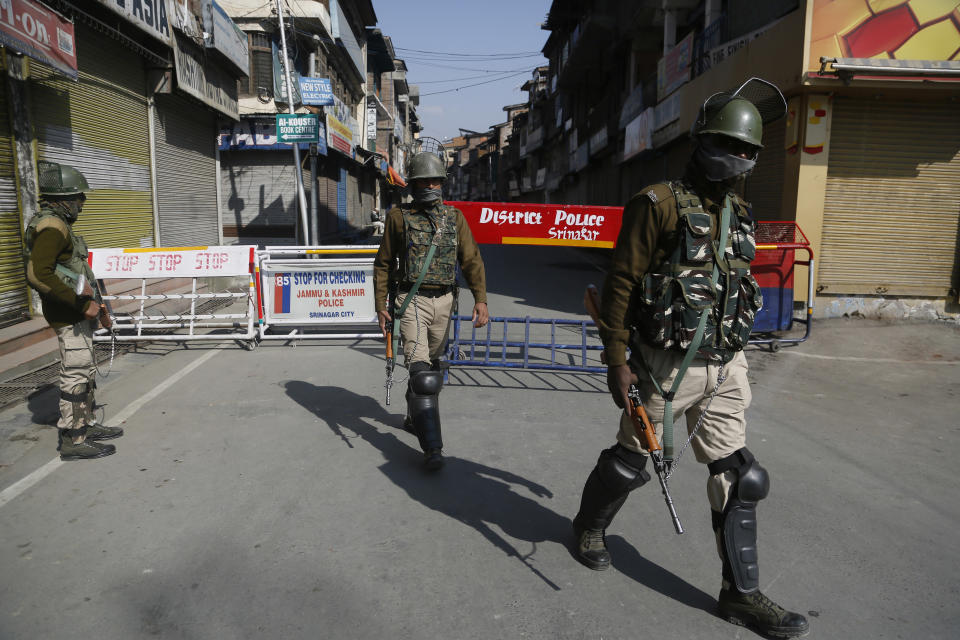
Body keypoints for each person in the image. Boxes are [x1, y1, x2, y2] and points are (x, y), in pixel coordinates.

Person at [571, 79, 809, 638]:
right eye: (732, 146)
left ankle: (740, 595)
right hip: (663, 366)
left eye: (750, 151)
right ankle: (587, 528)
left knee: (741, 476)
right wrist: (616, 360)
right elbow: (622, 283)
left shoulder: (744, 214)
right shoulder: (657, 205)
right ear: (703, 142)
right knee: (631, 463)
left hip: (726, 365)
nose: (742, 159)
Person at [373, 148, 489, 471]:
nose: (430, 187)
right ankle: (433, 448)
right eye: (423, 182)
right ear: (412, 184)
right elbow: (382, 264)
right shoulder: (399, 218)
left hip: (445, 302)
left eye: (435, 181)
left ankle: (414, 416)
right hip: (410, 300)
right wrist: (381, 304)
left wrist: (480, 298)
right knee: (422, 374)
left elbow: (471, 260)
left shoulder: (455, 219)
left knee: (432, 369)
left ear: (443, 183)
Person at [24, 161, 122, 461]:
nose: (82, 203)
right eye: (79, 197)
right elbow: (38, 273)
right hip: (69, 313)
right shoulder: (52, 227)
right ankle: (74, 439)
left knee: (86, 370)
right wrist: (81, 304)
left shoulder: (58, 224)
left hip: (77, 311)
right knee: (76, 372)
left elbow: (72, 270)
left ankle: (87, 424)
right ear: (63, 198)